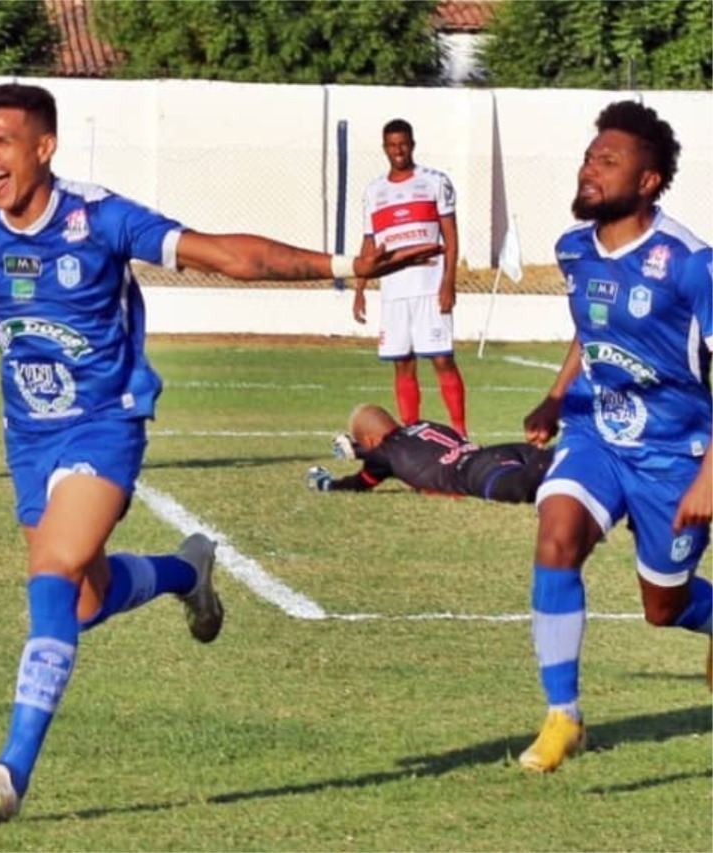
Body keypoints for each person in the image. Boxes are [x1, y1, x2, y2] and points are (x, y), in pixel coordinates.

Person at [0, 83, 440, 823]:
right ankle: (186, 569)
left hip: (104, 424)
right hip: (27, 434)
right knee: (81, 601)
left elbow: (224, 255)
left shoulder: (100, 218)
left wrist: (344, 266)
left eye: (3, 142)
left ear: (43, 148)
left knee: (51, 579)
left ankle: (9, 771)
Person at [518, 100, 712, 772]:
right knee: (557, 533)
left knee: (666, 606)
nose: (589, 169)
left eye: (609, 160)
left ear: (649, 180)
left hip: (677, 457)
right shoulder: (574, 251)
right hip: (598, 431)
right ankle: (562, 715)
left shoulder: (691, 264)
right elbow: (590, 329)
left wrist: (711, 475)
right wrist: (553, 393)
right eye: (589, 156)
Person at [351, 119, 468, 436]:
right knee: (402, 362)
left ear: (412, 144)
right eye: (391, 145)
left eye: (403, 143)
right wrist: (360, 289)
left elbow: (451, 236)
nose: (398, 150)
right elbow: (369, 242)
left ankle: (460, 434)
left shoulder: (435, 181)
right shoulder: (374, 191)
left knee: (442, 359)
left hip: (429, 287)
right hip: (393, 291)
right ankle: (412, 433)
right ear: (384, 148)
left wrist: (448, 282)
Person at [305, 403, 553, 502]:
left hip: (474, 473)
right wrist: (357, 451)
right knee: (560, 461)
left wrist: (328, 485)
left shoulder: (384, 455)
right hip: (496, 452)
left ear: (370, 440)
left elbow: (360, 483)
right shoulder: (420, 425)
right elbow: (419, 451)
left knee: (524, 487)